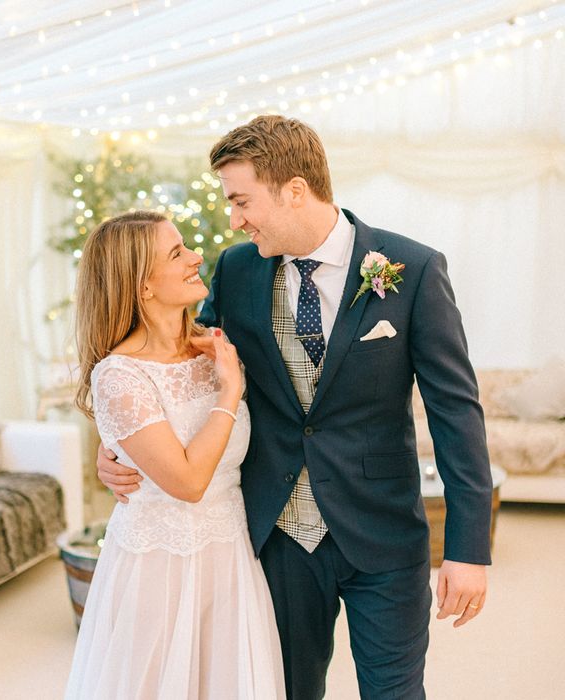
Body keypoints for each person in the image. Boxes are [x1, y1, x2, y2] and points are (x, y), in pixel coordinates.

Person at [97, 116, 493, 699]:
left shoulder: (413, 269)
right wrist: (117, 443)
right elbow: (174, 366)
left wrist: (467, 550)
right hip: (277, 539)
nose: (232, 220)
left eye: (241, 201)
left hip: (382, 535)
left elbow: (457, 414)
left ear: (295, 191)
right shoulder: (236, 269)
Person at [64, 211, 286, 700]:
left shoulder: (215, 348)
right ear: (142, 286)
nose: (196, 256)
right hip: (158, 571)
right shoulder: (120, 376)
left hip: (229, 559)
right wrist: (229, 394)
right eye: (176, 253)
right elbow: (187, 483)